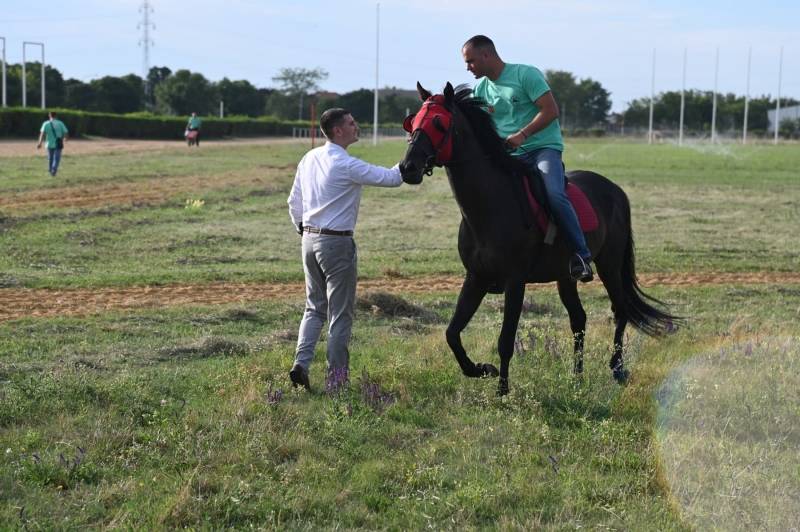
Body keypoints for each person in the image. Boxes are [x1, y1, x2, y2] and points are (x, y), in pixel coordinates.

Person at [286, 108, 403, 390]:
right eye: (352, 123)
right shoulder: (345, 164)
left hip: (308, 240)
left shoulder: (309, 157)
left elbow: (293, 202)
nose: (357, 126)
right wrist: (412, 156)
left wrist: (304, 230)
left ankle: (301, 364)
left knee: (314, 308)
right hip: (336, 243)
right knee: (340, 314)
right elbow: (392, 178)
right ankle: (336, 381)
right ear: (338, 131)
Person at [461, 35, 593, 282]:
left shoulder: (526, 75)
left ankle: (581, 255)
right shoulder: (480, 89)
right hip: (508, 156)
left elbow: (551, 110)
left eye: (471, 61)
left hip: (542, 149)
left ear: (486, 55)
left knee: (554, 194)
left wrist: (522, 135)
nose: (468, 67)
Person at [36, 111, 69, 176]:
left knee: (50, 158)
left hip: (49, 144)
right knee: (57, 158)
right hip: (58, 143)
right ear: (56, 116)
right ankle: (53, 170)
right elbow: (66, 132)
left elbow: (42, 134)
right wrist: (65, 138)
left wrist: (40, 143)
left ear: (49, 116)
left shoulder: (45, 123)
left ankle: (51, 170)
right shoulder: (60, 123)